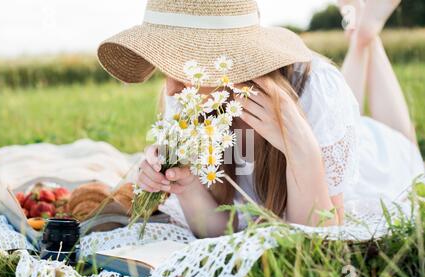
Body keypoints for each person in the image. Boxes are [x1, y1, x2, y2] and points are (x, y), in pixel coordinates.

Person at [97, 0, 424, 238]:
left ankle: (366, 35)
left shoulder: (316, 87)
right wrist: (186, 186)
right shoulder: (190, 102)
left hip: (375, 162)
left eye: (183, 72)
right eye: (165, 69)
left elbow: (322, 235)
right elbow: (218, 230)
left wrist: (303, 152)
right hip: (338, 132)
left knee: (402, 142)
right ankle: (362, 35)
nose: (170, 90)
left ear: (231, 64)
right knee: (354, 120)